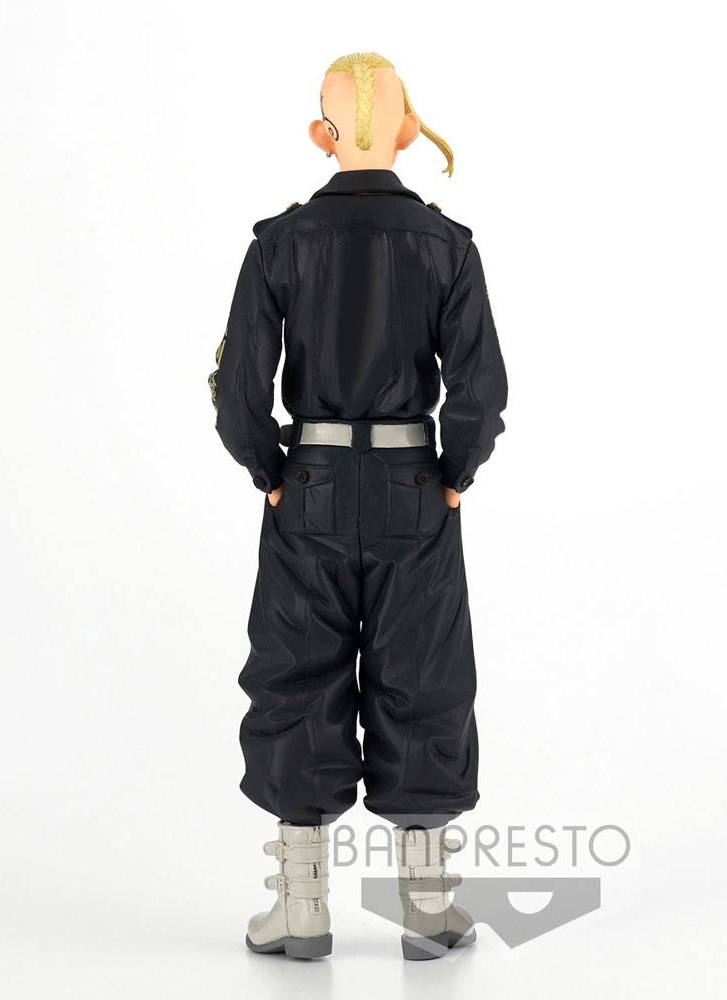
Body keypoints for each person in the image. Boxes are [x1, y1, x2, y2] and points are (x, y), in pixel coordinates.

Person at [210, 51, 508, 961]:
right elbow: (481, 390)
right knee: (425, 675)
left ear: (322, 134)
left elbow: (238, 392)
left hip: (310, 485)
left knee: (296, 676)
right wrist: (454, 473)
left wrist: (271, 470)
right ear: (410, 130)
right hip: (416, 486)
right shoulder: (448, 246)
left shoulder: (279, 243)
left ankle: (301, 910)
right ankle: (428, 910)